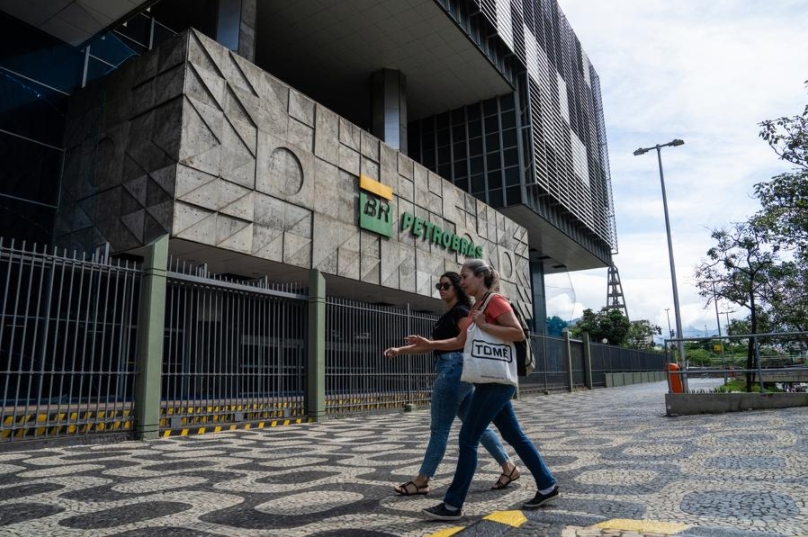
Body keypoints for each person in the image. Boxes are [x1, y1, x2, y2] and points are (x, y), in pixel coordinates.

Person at [406, 259, 558, 520]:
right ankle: (547, 485)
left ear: (481, 277)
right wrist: (429, 343)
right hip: (489, 382)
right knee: (515, 435)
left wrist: (485, 324)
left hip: (496, 383)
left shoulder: (495, 301)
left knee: (467, 438)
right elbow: (458, 340)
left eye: (465, 277)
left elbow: (518, 333)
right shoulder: (476, 306)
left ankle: (453, 505)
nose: (461, 281)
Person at [384, 271, 521, 496]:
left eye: (446, 285)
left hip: (452, 371)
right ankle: (509, 466)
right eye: (439, 285)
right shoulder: (448, 314)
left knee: (439, 429)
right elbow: (432, 346)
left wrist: (430, 343)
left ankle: (422, 480)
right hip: (455, 371)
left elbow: (462, 341)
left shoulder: (461, 311)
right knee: (477, 425)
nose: (442, 289)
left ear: (458, 287)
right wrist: (400, 350)